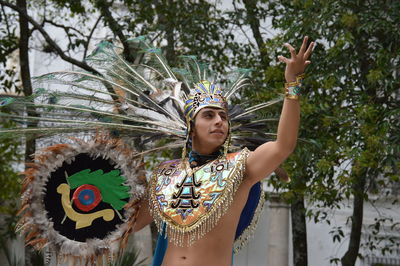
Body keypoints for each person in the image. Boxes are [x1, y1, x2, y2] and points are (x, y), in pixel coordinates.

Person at [133, 36, 314, 266]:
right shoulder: (166, 176)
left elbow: (283, 145)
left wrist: (292, 84)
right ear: (191, 127)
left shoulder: (240, 167)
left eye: (223, 116)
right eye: (209, 115)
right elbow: (130, 223)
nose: (219, 121)